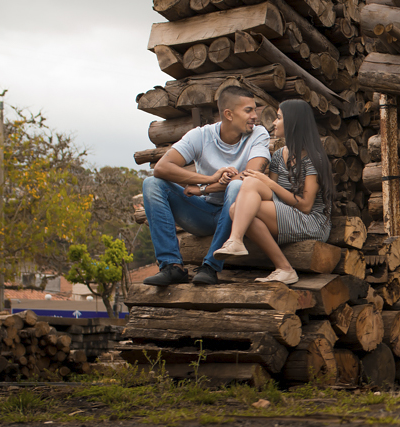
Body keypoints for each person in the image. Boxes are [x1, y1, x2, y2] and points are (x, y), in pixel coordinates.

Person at [141, 85, 271, 287]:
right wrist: (210, 179)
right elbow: (161, 168)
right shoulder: (200, 136)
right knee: (152, 184)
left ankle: (210, 267)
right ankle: (171, 266)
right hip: (202, 213)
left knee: (239, 187)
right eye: (248, 110)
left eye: (254, 109)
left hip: (237, 214)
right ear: (228, 114)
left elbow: (250, 179)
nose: (255, 116)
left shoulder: (258, 134)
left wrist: (203, 189)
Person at [213, 99, 334, 286]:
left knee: (241, 206)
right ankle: (282, 267)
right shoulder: (279, 155)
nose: (274, 123)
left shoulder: (314, 158)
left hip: (311, 221)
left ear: (293, 122)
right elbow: (270, 193)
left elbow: (306, 205)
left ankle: (236, 239)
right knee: (237, 208)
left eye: (278, 118)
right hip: (286, 210)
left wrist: (268, 181)